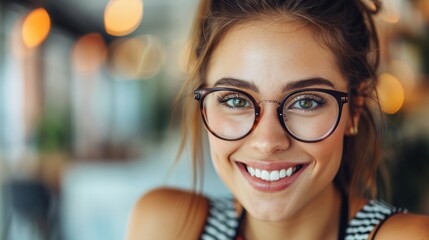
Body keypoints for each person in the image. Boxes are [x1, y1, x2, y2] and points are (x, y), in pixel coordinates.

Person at [126, 0, 429, 239]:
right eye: (235, 100)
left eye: (306, 102)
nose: (268, 142)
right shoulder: (167, 226)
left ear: (356, 109)